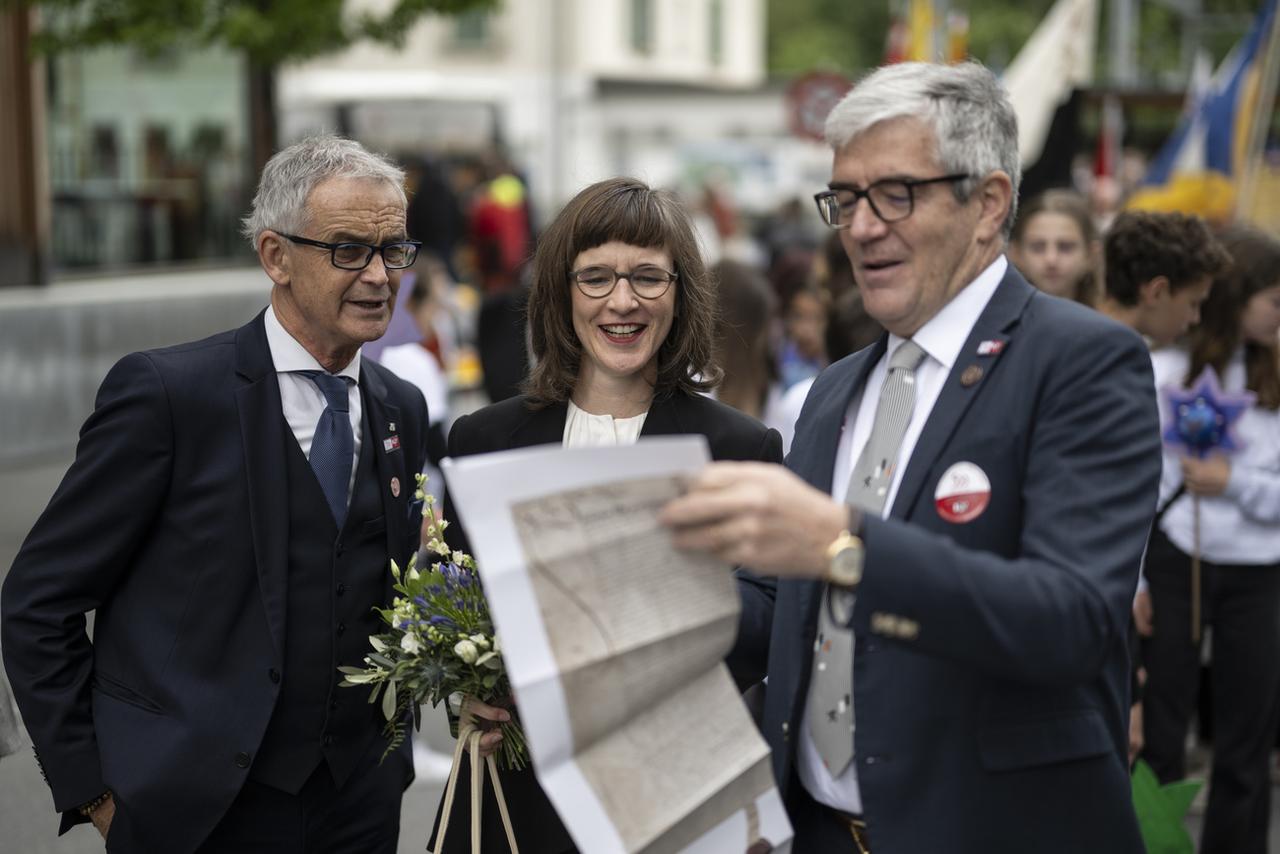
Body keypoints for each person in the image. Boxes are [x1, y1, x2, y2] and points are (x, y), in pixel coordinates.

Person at [660, 61, 1160, 852]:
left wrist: (844, 545)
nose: (860, 227)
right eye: (846, 199)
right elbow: (782, 614)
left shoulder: (1082, 361)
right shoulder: (833, 392)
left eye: (896, 193)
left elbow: (1071, 620)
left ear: (989, 203)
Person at [0, 135, 429, 854]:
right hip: (198, 814)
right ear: (275, 257)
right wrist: (96, 792)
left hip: (358, 805)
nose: (380, 275)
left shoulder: (401, 407)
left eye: (394, 250)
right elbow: (38, 602)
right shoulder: (169, 396)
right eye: (349, 250)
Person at [431, 176, 784, 854]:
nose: (622, 301)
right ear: (561, 293)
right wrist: (466, 696)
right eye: (595, 277)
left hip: (672, 795)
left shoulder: (740, 448)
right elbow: (455, 607)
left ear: (680, 293)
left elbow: (767, 626)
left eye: (648, 278)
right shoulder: (483, 440)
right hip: (519, 800)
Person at [1142, 225, 1280, 854]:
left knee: (1246, 740)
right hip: (1178, 560)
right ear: (1237, 295)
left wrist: (1237, 483)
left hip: (1260, 570)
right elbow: (1142, 485)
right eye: (1274, 300)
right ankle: (1156, 841)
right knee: (1162, 732)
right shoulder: (1165, 367)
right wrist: (1138, 576)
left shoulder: (1274, 374)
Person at [1099, 209, 1225, 349]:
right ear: (1157, 292)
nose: (1195, 318)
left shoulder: (1082, 335)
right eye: (1193, 303)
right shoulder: (1122, 360)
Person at [1009, 188, 1100, 305]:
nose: (1051, 259)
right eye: (1037, 247)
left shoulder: (1111, 321)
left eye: (1065, 247)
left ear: (1091, 254)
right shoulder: (995, 320)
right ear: (1015, 253)